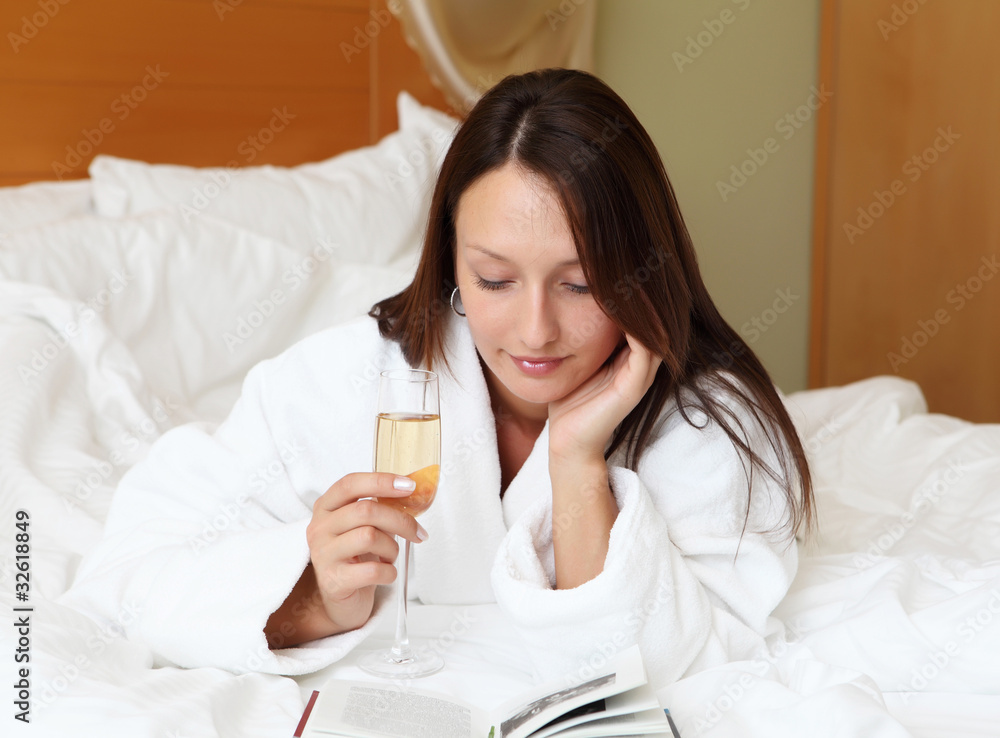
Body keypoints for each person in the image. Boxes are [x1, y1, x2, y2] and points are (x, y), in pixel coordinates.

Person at [62, 68, 813, 688]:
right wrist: (315, 595)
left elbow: (652, 672)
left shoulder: (714, 429)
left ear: (642, 268)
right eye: (495, 280)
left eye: (580, 284)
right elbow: (130, 572)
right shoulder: (351, 380)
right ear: (451, 258)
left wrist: (578, 460)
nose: (535, 331)